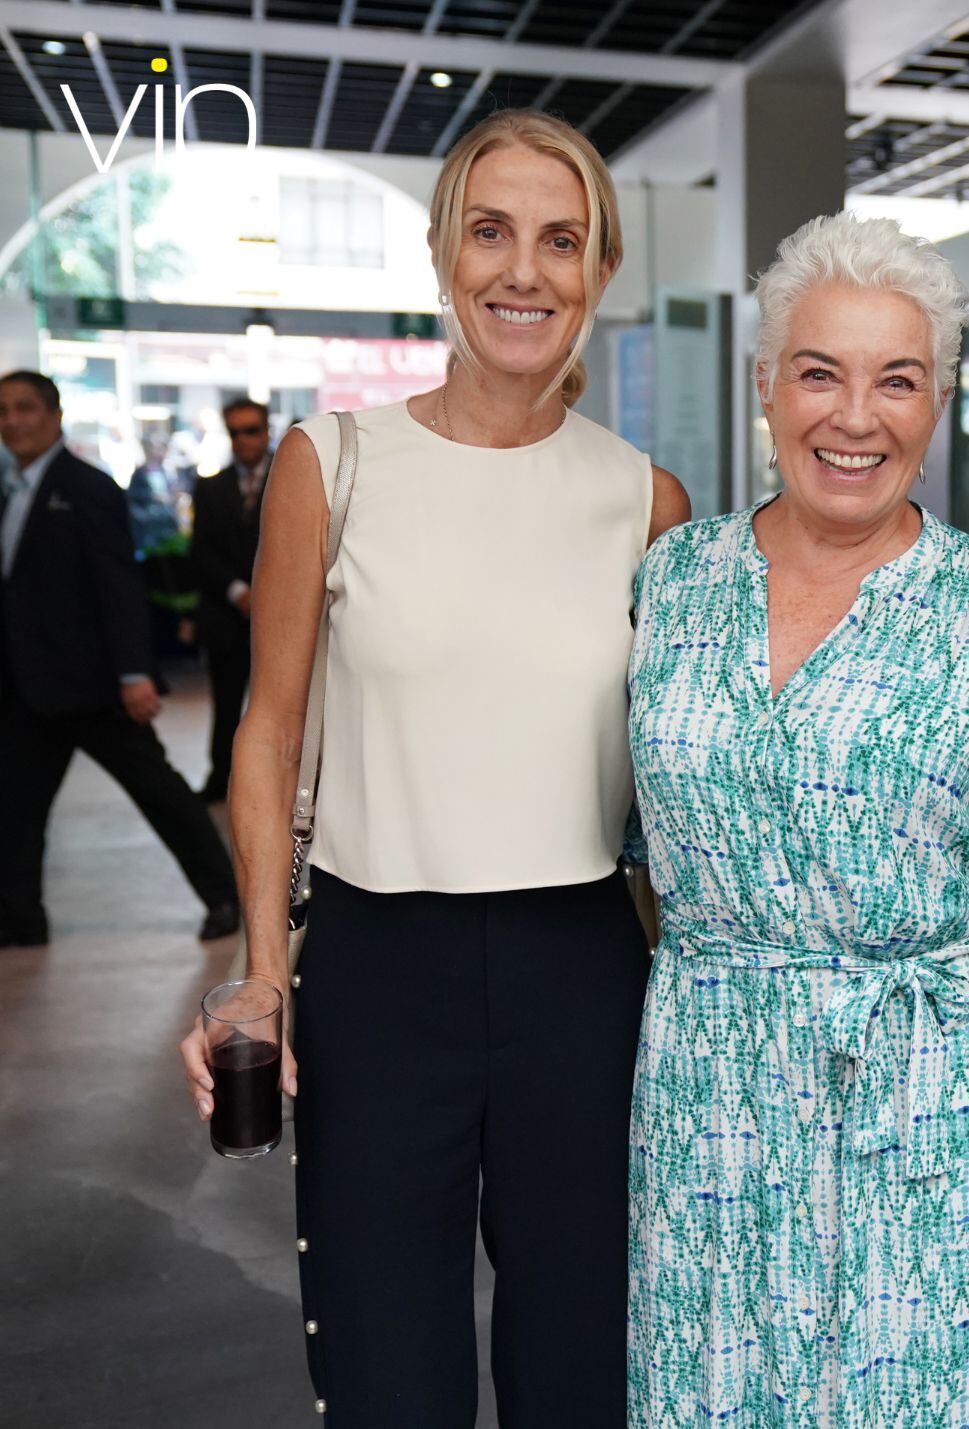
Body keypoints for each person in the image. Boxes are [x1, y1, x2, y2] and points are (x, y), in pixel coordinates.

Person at [175, 109, 689, 1425]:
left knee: (583, 1372)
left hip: (582, 976)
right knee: (384, 1368)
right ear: (442, 255)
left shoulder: (648, 504)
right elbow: (268, 730)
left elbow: (691, 783)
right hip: (376, 973)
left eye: (562, 241)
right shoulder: (333, 463)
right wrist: (262, 973)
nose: (525, 272)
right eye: (493, 233)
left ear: (600, 271)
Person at [625, 212, 969, 1426]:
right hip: (714, 1090)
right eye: (819, 372)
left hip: (939, 1087)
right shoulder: (671, 579)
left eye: (898, 380)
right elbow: (626, 839)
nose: (855, 415)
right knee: (718, 1393)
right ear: (766, 389)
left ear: (935, 406)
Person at [0, 370, 239, 948]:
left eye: (25, 409)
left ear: (54, 416)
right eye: (3, 411)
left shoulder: (86, 487)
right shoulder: (10, 488)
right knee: (14, 812)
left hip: (96, 686)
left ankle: (226, 896)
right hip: (28, 690)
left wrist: (134, 673)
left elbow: (119, 586)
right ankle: (20, 921)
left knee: (161, 795)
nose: (13, 421)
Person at [189, 397, 273, 802]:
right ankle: (221, 776)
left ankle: (281, 783)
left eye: (251, 430)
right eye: (235, 432)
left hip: (281, 616)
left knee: (282, 704)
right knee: (225, 705)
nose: (243, 440)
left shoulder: (295, 475)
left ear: (267, 430)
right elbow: (201, 551)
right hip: (227, 615)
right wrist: (239, 591)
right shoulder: (211, 486)